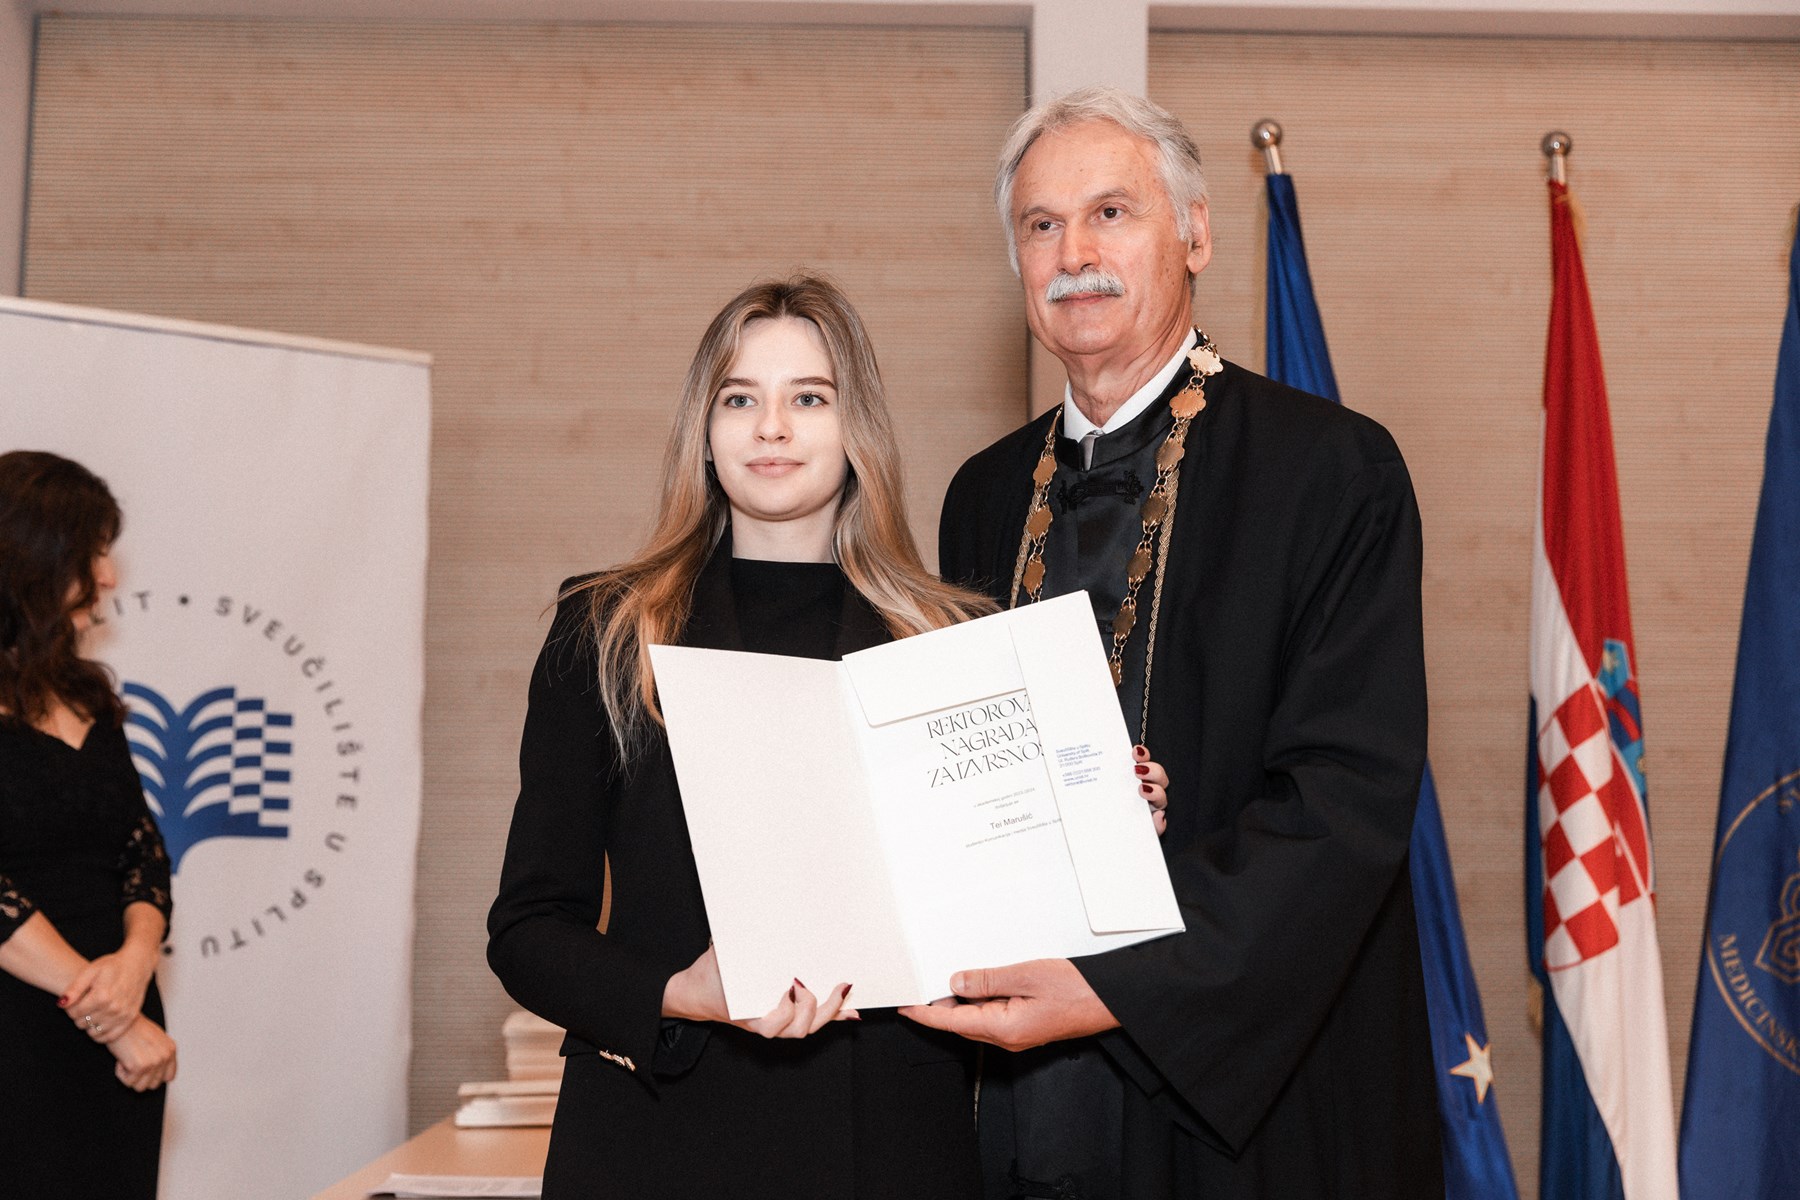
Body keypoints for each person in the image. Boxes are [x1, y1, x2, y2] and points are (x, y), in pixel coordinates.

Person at [488, 274, 1173, 1198]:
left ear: (858, 429)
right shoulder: (608, 630)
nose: (771, 428)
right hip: (659, 1136)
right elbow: (528, 931)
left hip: (889, 1142)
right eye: (740, 399)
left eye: (809, 398)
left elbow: (1011, 921)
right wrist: (682, 993)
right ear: (704, 429)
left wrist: (1103, 821)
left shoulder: (952, 641)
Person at [904, 87, 1443, 1199]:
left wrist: (1121, 983)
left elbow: (1345, 803)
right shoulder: (982, 495)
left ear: (1195, 234)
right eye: (1042, 225)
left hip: (1247, 1093)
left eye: (1112, 213)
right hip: (1017, 1087)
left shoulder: (1333, 470)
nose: (1075, 255)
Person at [0, 450, 178, 1200]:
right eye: (92, 552)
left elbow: (141, 849)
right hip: (22, 1031)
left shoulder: (85, 693)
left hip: (117, 1027)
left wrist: (135, 966)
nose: (107, 576)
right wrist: (109, 1014)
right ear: (30, 559)